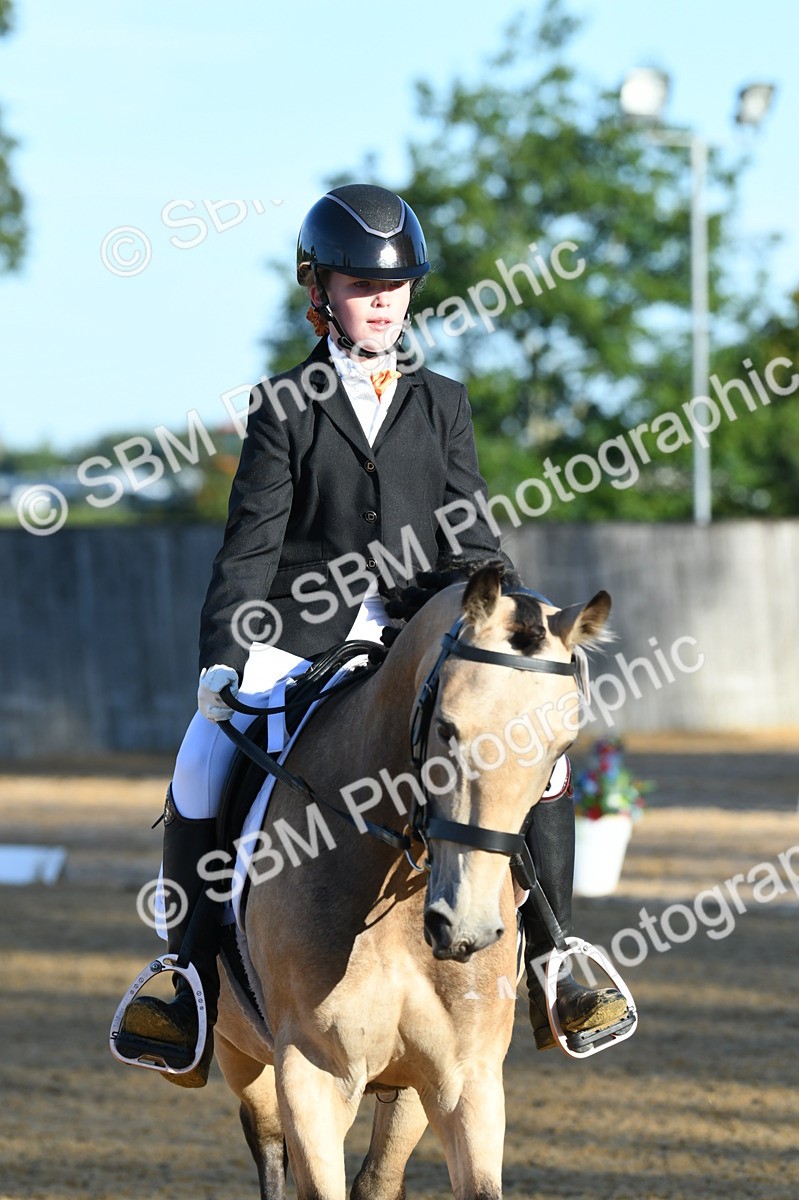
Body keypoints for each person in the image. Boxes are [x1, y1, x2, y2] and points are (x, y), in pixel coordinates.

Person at [117, 184, 628, 1087]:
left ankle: (557, 957)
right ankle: (187, 975)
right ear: (320, 293)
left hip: (408, 633)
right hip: (298, 633)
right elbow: (250, 549)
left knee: (534, 761)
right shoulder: (284, 405)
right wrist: (224, 662)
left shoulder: (442, 403)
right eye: (361, 285)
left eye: (395, 286)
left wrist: (514, 622)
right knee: (201, 760)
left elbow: (472, 542)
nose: (382, 300)